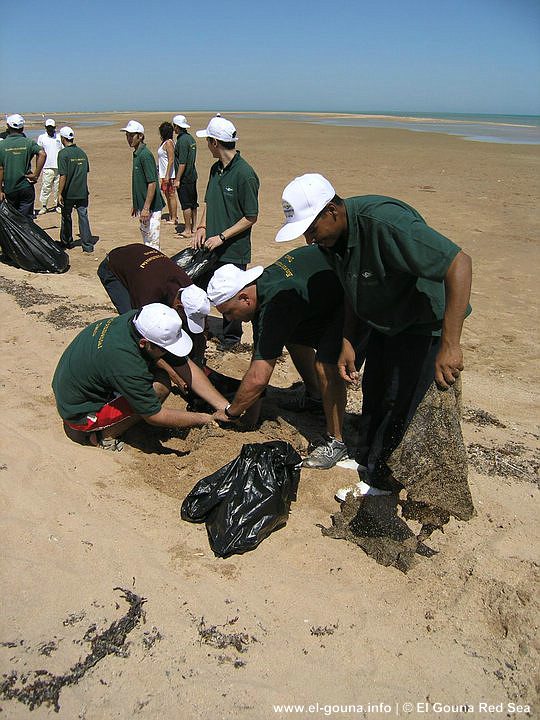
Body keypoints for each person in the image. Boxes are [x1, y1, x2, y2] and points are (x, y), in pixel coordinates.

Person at [275, 173, 472, 498]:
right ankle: (368, 462)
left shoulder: (384, 223)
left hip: (423, 320)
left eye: (312, 229)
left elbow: (459, 263)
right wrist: (349, 341)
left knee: (400, 400)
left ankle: (384, 481)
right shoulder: (332, 242)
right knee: (375, 389)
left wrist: (450, 345)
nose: (309, 240)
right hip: (386, 319)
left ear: (332, 212)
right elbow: (352, 287)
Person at [208, 247, 351, 468]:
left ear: (244, 298)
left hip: (350, 300)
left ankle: (337, 442)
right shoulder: (260, 290)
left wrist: (231, 412)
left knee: (326, 364)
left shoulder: (275, 303)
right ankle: (315, 397)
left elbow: (258, 378)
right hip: (323, 296)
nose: (228, 319)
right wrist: (251, 416)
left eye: (228, 312)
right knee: (291, 336)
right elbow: (260, 359)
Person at [52, 303, 229, 449]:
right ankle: (101, 436)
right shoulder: (125, 363)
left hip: (78, 384)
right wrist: (206, 418)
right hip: (80, 412)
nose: (168, 353)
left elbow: (182, 364)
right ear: (144, 343)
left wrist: (225, 407)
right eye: (164, 349)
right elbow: (154, 416)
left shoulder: (138, 320)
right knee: (160, 387)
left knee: (160, 371)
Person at [193, 115, 260, 350]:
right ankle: (200, 329)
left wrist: (222, 236)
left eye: (208, 141)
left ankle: (232, 340)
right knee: (199, 287)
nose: (206, 145)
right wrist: (201, 227)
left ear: (214, 143)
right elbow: (208, 203)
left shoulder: (245, 174)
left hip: (233, 249)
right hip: (210, 246)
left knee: (231, 297)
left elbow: (251, 217)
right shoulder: (215, 170)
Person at [97, 243, 210, 365]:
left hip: (140, 260)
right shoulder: (149, 294)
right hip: (113, 267)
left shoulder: (192, 291)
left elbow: (202, 330)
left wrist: (199, 359)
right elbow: (142, 332)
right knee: (131, 319)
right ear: (179, 306)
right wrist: (173, 374)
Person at [121, 120, 164, 250]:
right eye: (127, 135)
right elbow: (139, 183)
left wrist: (146, 208)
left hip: (152, 207)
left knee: (153, 244)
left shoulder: (145, 155)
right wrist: (136, 205)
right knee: (147, 241)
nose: (129, 138)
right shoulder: (137, 154)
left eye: (131, 135)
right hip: (143, 206)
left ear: (140, 136)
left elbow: (152, 183)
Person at [57, 126, 95, 253]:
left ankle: (66, 242)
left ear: (63, 138)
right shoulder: (82, 153)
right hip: (82, 192)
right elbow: (86, 171)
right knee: (83, 216)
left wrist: (59, 193)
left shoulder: (63, 154)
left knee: (66, 217)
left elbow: (63, 175)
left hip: (69, 192)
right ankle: (88, 245)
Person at [0, 114, 46, 217]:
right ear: (22, 128)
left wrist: (0, 190)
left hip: (10, 188)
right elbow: (42, 154)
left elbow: (1, 169)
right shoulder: (28, 142)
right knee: (27, 220)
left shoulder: (2, 145)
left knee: (15, 219)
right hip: (26, 186)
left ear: (8, 126)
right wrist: (36, 174)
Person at [172, 114, 197, 237]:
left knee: (186, 204)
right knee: (193, 203)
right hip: (192, 175)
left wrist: (177, 179)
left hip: (185, 177)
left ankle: (187, 229)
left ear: (177, 126)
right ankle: (194, 227)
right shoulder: (191, 138)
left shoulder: (182, 141)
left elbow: (182, 162)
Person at [37, 118, 62, 214]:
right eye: (48, 127)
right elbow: (39, 152)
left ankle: (58, 205)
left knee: (57, 188)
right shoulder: (42, 137)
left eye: (51, 127)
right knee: (46, 187)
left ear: (55, 127)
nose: (50, 129)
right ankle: (44, 206)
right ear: (45, 127)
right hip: (47, 166)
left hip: (59, 167)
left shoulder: (59, 137)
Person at [157, 121, 178, 225]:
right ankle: (171, 215)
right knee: (167, 195)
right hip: (164, 173)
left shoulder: (169, 143)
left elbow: (171, 159)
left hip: (169, 174)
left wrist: (167, 175)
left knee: (171, 195)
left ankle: (174, 217)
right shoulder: (164, 142)